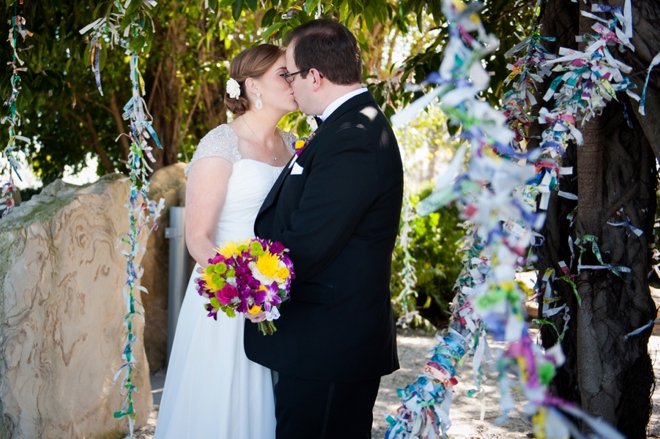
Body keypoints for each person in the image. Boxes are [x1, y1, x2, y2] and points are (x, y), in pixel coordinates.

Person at [244, 19, 403, 439]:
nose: (290, 87)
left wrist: (251, 285)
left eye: (291, 76)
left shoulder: (354, 135)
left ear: (314, 76)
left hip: (330, 343)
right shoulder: (343, 127)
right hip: (321, 342)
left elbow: (310, 241)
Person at [154, 44, 298, 439]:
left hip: (279, 297)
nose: (294, 82)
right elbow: (198, 239)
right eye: (283, 75)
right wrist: (246, 292)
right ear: (254, 86)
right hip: (228, 298)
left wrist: (273, 288)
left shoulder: (292, 145)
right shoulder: (221, 144)